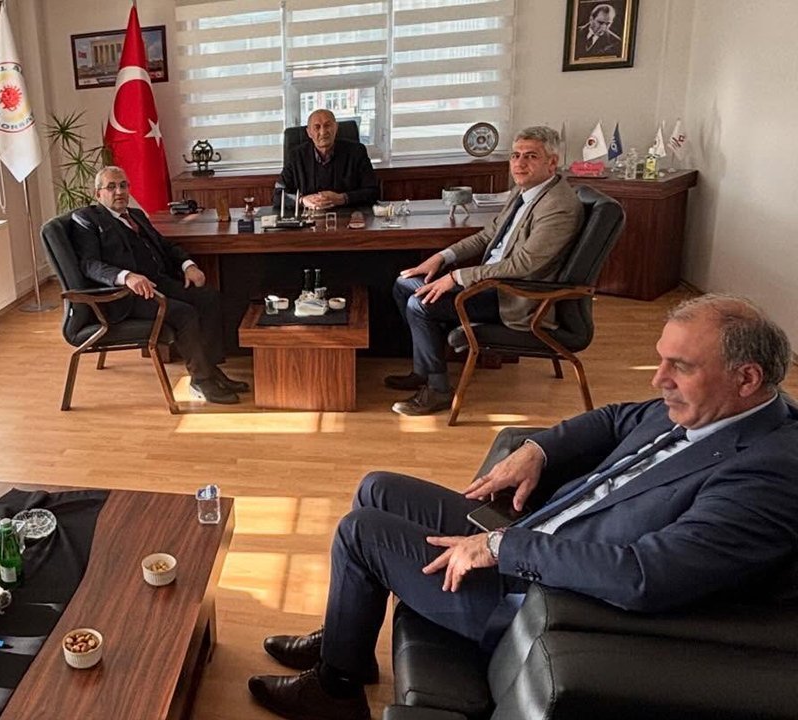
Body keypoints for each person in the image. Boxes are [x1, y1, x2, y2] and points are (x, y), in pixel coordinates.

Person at [248, 294, 798, 720]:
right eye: (660, 361)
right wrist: (537, 450)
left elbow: (645, 575)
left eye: (679, 367)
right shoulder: (711, 410)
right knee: (377, 488)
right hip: (538, 532)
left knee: (361, 532)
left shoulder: (766, 476)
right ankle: (346, 640)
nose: (659, 380)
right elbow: (613, 420)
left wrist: (500, 546)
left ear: (747, 378)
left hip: (541, 598)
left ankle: (335, 690)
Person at [388, 125, 583, 416]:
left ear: (552, 162)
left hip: (514, 295)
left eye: (531, 156)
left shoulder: (558, 205)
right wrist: (442, 257)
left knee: (421, 304)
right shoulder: (524, 192)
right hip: (492, 281)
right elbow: (487, 235)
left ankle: (438, 389)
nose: (519, 163)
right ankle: (424, 370)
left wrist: (456, 276)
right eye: (515, 155)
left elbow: (524, 264)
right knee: (404, 284)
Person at [72, 166, 248, 405]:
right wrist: (126, 276)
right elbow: (90, 265)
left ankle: (210, 369)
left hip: (159, 282)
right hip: (125, 296)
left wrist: (188, 265)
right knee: (184, 313)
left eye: (123, 185)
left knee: (209, 299)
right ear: (98, 193)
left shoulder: (136, 215)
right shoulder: (87, 220)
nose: (119, 191)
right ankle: (201, 380)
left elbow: (165, 246)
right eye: (111, 187)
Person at [274, 109, 378, 213]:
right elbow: (278, 195)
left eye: (327, 125)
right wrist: (302, 201)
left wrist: (342, 198)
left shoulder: (356, 152)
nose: (323, 132)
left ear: (336, 128)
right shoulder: (295, 156)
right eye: (317, 127)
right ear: (309, 133)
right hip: (309, 218)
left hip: (347, 217)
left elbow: (373, 191)